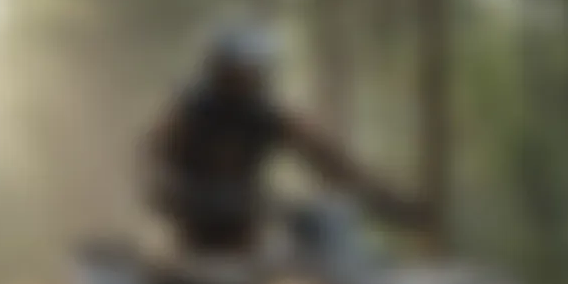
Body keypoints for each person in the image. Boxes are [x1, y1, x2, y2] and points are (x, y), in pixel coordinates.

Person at [144, 25, 414, 252]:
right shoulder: (189, 113)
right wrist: (172, 191)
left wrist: (386, 200)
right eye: (240, 68)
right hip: (196, 239)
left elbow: (328, 158)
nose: (248, 76)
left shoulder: (266, 114)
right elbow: (155, 158)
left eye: (254, 68)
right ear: (219, 68)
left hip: (250, 232)